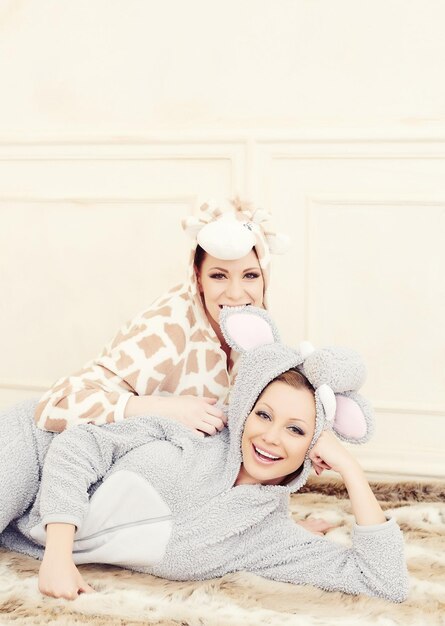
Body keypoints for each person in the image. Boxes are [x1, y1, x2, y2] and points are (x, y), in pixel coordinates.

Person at [0, 306, 409, 603]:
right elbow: (79, 443)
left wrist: (352, 470)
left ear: (315, 445)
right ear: (245, 410)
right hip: (32, 446)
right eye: (262, 414)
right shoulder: (198, 429)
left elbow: (383, 580)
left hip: (25, 520)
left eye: (296, 429)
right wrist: (56, 556)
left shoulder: (267, 538)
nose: (270, 437)